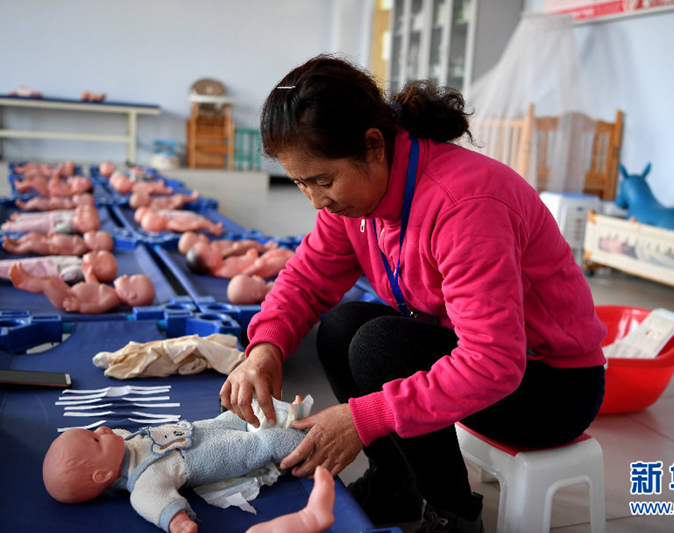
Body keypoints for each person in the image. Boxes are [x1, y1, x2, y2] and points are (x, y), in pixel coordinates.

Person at [220, 55, 607, 533]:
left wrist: (364, 417)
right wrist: (264, 350)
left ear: (374, 145)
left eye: (323, 180)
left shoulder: (465, 204)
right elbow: (306, 279)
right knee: (342, 327)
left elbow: (494, 361)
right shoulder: (355, 205)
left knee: (382, 346)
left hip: (550, 386)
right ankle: (394, 486)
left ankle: (454, 516)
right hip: (485, 359)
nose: (317, 200)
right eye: (301, 183)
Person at [42, 409, 306, 533]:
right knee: (260, 444)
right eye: (96, 441)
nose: (101, 430)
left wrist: (96, 443)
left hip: (202, 428)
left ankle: (287, 418)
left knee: (238, 416)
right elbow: (158, 505)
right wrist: (178, 523)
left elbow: (113, 437)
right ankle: (308, 443)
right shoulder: (144, 484)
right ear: (102, 476)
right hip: (209, 457)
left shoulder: (121, 441)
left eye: (93, 432)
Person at [9, 262, 154, 313]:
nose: (126, 275)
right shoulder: (111, 291)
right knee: (52, 279)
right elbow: (94, 288)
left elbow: (98, 307)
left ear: (130, 295)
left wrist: (80, 306)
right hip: (69, 292)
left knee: (48, 285)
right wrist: (88, 274)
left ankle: (24, 282)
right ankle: (28, 277)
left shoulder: (112, 299)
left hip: (68, 300)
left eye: (131, 279)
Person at [0, 249, 117, 283]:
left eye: (97, 255)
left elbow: (66, 276)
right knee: (22, 263)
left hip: (45, 270)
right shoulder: (80, 260)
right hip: (48, 262)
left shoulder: (80, 270)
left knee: (20, 269)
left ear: (98, 267)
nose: (94, 251)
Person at [0, 204, 101, 234]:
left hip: (48, 224)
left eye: (83, 215)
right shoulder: (72, 214)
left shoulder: (70, 225)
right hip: (50, 216)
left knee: (31, 226)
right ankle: (19, 219)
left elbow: (58, 230)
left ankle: (10, 227)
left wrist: (53, 232)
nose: (81, 211)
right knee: (35, 217)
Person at [2, 230, 114, 256]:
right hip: (49, 239)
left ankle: (16, 249)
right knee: (32, 235)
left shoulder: (81, 247)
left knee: (32, 244)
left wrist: (60, 250)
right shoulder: (80, 239)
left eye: (95, 235)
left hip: (51, 247)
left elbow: (71, 253)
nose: (92, 232)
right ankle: (17, 241)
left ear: (96, 246)